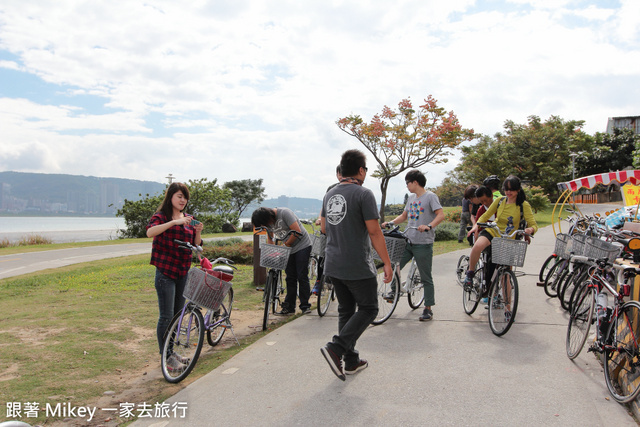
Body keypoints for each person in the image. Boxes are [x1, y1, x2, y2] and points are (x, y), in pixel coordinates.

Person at [320, 149, 392, 381]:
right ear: (361, 170)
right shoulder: (364, 194)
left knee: (346, 310)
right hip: (356, 264)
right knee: (370, 308)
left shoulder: (329, 194)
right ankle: (337, 347)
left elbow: (323, 228)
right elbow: (374, 231)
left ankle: (351, 361)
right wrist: (387, 263)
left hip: (334, 263)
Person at [146, 182, 204, 371]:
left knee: (177, 316)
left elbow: (196, 246)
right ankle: (166, 357)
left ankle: (170, 352)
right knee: (166, 316)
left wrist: (198, 232)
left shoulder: (189, 219)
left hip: (182, 272)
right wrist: (173, 222)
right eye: (179, 196)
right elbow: (149, 232)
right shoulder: (161, 217)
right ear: (170, 196)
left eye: (185, 197)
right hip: (165, 272)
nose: (183, 200)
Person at [382, 169, 445, 321]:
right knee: (394, 263)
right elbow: (404, 216)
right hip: (408, 240)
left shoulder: (430, 197)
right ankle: (394, 290)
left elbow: (441, 215)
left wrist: (429, 226)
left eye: (408, 183)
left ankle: (428, 308)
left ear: (415, 182)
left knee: (426, 277)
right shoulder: (411, 198)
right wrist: (391, 222)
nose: (407, 186)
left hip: (423, 243)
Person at [463, 175, 538, 290]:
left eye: (511, 189)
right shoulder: (499, 201)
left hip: (509, 238)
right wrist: (476, 227)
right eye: (506, 189)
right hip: (494, 231)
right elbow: (484, 216)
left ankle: (508, 306)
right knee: (477, 246)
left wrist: (529, 230)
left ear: (518, 190)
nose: (508, 192)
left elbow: (533, 224)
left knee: (506, 275)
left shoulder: (524, 205)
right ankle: (470, 274)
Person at [251, 207, 312, 315]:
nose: (267, 226)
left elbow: (297, 232)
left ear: (269, 217)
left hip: (302, 245)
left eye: (265, 223)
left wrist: (286, 245)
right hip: (288, 248)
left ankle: (305, 306)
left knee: (301, 275)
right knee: (290, 277)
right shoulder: (268, 222)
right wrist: (272, 251)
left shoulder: (285, 213)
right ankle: (289, 308)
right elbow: (270, 238)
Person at [312, 165, 342, 295]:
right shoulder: (331, 189)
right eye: (340, 173)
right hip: (328, 229)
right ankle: (319, 281)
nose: (341, 176)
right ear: (337, 174)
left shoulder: (354, 189)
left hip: (342, 231)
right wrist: (320, 219)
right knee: (322, 255)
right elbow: (324, 208)